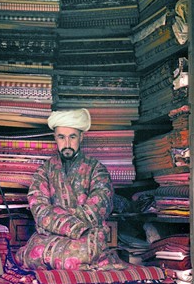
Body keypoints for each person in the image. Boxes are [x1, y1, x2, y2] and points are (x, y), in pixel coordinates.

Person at [15, 108, 125, 271]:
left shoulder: (97, 170)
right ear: (55, 138)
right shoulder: (44, 171)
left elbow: (99, 206)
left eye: (72, 137)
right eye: (61, 137)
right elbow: (39, 208)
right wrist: (66, 224)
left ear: (81, 137)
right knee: (32, 255)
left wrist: (62, 218)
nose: (67, 144)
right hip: (50, 235)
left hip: (85, 234)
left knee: (74, 259)